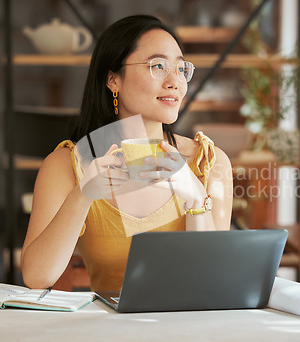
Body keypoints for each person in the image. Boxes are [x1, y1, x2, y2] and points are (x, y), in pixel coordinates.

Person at [20, 15, 233, 291]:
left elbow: (214, 284)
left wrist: (195, 197)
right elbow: (37, 277)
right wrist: (83, 194)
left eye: (181, 69)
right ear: (113, 80)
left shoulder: (208, 164)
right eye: (158, 66)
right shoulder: (67, 165)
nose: (175, 82)